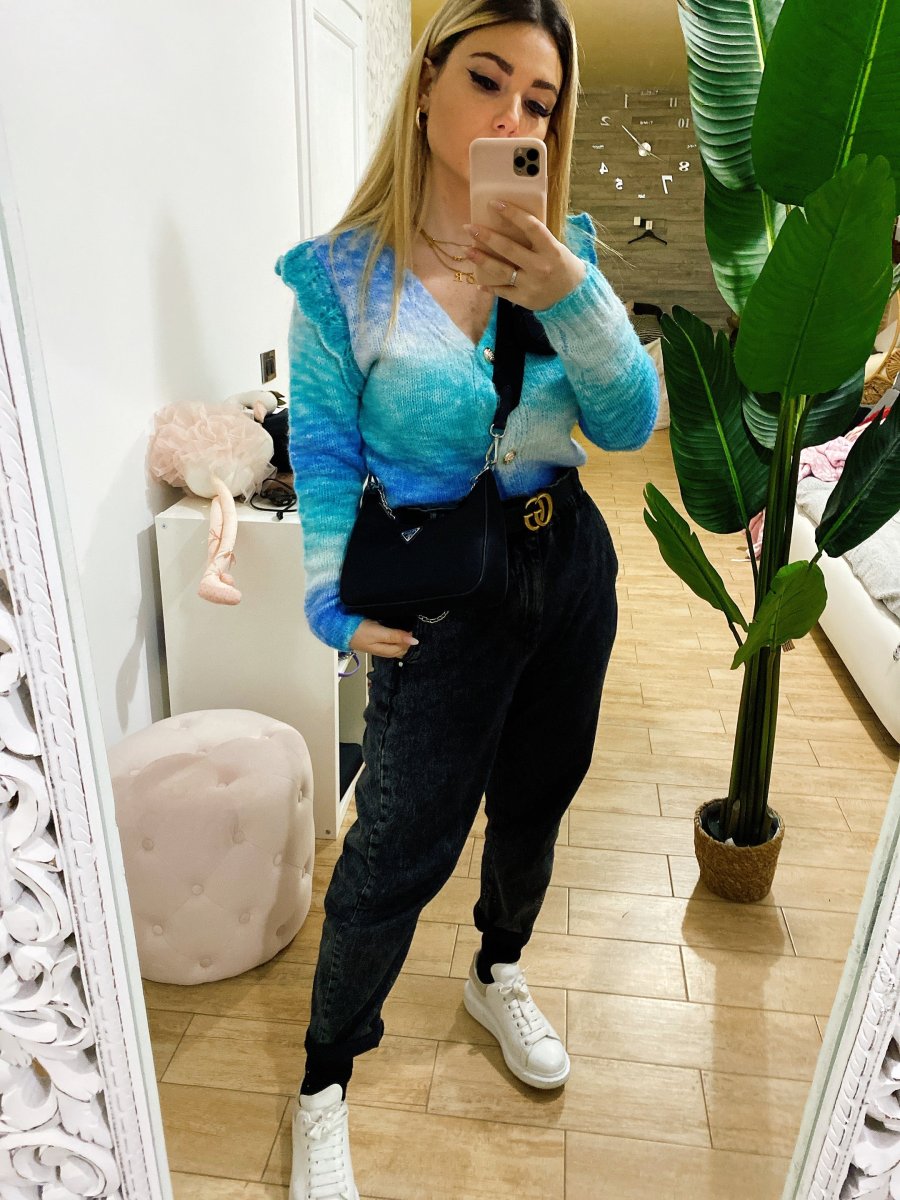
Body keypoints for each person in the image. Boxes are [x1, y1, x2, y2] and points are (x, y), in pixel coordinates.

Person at [274, 1, 658, 1195]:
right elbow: (323, 454)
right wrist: (332, 605)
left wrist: (570, 292)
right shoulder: (342, 281)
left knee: (539, 798)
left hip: (566, 564)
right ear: (427, 81)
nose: (512, 118)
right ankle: (325, 1077)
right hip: (440, 592)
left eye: (540, 101)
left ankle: (498, 971)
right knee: (398, 845)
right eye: (488, 80)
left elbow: (629, 423)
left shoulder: (563, 256)